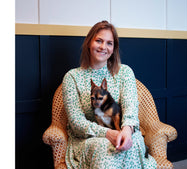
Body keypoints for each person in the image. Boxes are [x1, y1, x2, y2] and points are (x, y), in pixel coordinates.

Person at [62, 20, 157, 168]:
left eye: (109, 43)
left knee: (129, 146)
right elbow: (76, 122)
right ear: (89, 43)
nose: (103, 47)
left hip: (125, 131)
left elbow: (130, 107)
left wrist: (126, 131)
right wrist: (107, 134)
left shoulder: (124, 72)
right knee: (104, 150)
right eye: (98, 41)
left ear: (114, 48)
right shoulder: (72, 77)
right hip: (91, 139)